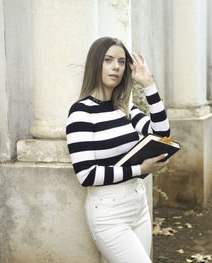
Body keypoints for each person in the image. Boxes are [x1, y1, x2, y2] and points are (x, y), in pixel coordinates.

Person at [66, 37, 170, 263]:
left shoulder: (125, 107)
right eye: (109, 60)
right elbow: (86, 174)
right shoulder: (81, 113)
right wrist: (140, 168)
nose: (116, 66)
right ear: (96, 64)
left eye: (122, 62)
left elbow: (162, 135)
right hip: (108, 213)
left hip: (138, 205)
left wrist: (149, 84)